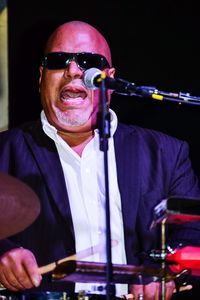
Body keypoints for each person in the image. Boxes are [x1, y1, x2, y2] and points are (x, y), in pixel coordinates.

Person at [0, 20, 200, 300]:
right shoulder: (4, 153)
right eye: (58, 61)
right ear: (41, 77)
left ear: (110, 80)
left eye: (88, 61)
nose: (72, 70)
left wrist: (163, 271)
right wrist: (3, 254)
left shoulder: (166, 153)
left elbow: (192, 238)